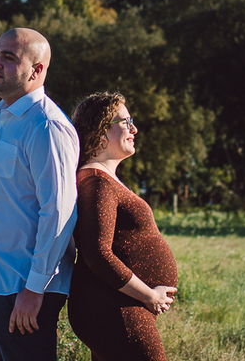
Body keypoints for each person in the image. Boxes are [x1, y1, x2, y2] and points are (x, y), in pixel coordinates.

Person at [0, 27, 79, 361]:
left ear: (37, 70)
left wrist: (34, 289)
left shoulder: (46, 125)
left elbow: (59, 212)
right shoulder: (0, 117)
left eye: (9, 57)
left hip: (23, 289)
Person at [67, 92, 178, 361]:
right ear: (101, 131)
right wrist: (149, 295)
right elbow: (96, 253)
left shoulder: (103, 179)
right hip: (113, 307)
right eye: (125, 122)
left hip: (116, 306)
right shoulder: (98, 182)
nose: (134, 128)